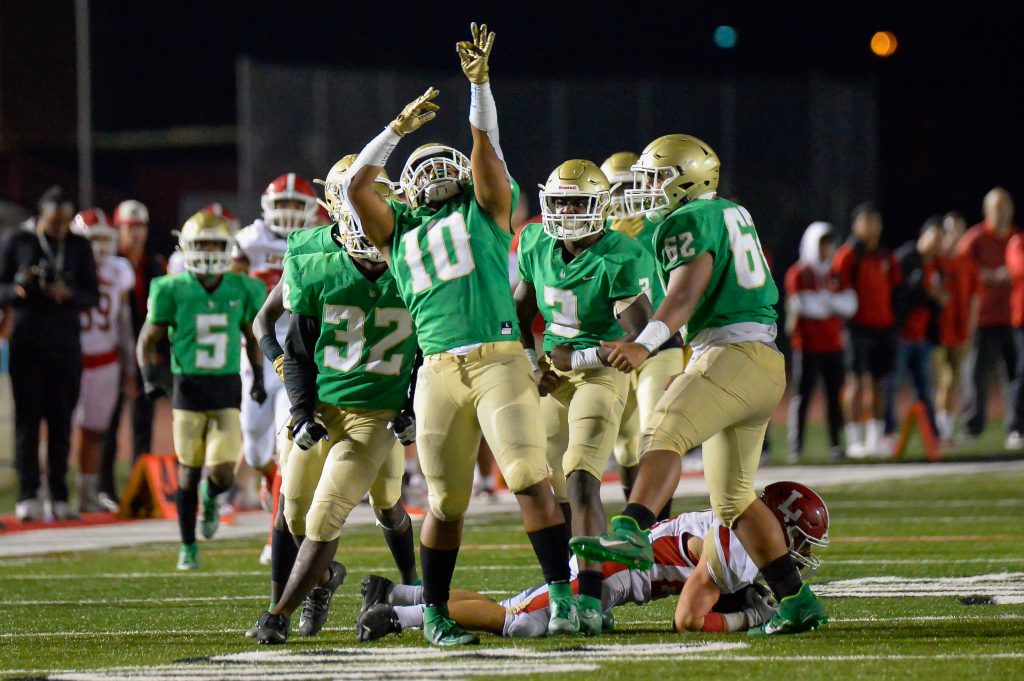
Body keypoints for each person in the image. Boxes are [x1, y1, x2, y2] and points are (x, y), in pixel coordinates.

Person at [343, 22, 575, 645]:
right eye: (424, 166)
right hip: (438, 372)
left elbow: (487, 153)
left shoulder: (486, 209)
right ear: (405, 188)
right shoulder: (396, 234)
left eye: (447, 162)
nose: (438, 170)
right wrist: (396, 130)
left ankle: (563, 596)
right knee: (445, 504)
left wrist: (479, 89)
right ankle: (436, 614)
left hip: (499, 359)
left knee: (527, 476)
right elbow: (356, 186)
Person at [568, 133, 829, 637]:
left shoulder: (686, 220)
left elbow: (686, 293)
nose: (646, 189)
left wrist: (644, 344)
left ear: (686, 181)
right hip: (762, 359)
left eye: (655, 179)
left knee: (664, 428)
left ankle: (632, 528)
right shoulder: (729, 211)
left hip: (730, 352)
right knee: (733, 500)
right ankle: (797, 600)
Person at [249, 156, 420, 643]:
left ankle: (282, 613)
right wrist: (299, 402)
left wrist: (414, 404)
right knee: (292, 508)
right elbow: (290, 341)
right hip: (324, 402)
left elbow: (433, 344)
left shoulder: (414, 258)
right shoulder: (313, 258)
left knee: (380, 502)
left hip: (378, 409)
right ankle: (320, 582)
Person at [356, 480, 829, 641]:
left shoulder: (739, 533)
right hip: (610, 572)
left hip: (618, 572)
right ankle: (398, 616)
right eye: (801, 541)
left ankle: (397, 593)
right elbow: (687, 621)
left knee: (516, 606)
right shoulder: (735, 544)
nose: (802, 554)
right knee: (523, 622)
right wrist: (751, 617)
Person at [514, 159, 652, 635]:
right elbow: (518, 314)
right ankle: (566, 590)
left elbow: (642, 338)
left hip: (602, 373)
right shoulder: (535, 242)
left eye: (578, 202)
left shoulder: (620, 254)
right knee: (545, 484)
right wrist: (533, 365)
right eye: (561, 202)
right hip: (556, 375)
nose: (568, 211)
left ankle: (593, 599)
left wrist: (581, 356)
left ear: (600, 206)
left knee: (582, 477)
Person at [136, 210, 266, 570]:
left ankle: (211, 498)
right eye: (202, 244)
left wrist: (258, 377)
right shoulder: (171, 288)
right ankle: (188, 545)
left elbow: (251, 337)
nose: (208, 251)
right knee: (188, 472)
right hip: (188, 389)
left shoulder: (244, 287)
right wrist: (149, 377)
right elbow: (147, 340)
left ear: (228, 248)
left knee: (222, 473)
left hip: (226, 387)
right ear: (186, 247)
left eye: (214, 244)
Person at [233, 173, 322, 563]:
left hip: (298, 350)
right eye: (281, 204)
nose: (287, 212)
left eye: (294, 204)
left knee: (289, 445)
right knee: (255, 450)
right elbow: (233, 287)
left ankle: (276, 538)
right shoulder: (249, 240)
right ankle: (270, 480)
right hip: (257, 352)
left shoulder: (318, 237)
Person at [0, 186, 99, 521]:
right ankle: (28, 494)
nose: (58, 228)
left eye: (63, 222)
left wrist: (68, 294)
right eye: (53, 222)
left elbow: (92, 294)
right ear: (40, 215)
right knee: (27, 422)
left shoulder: (78, 245)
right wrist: (16, 289)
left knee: (61, 422)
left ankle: (59, 494)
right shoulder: (18, 241)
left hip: (65, 344)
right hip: (27, 344)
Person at [602, 151, 686, 512]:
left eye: (631, 188)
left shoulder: (662, 224)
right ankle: (639, 523)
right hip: (612, 345)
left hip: (658, 342)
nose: (625, 198)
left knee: (656, 431)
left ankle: (655, 523)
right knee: (625, 445)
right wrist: (610, 243)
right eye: (617, 190)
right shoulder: (594, 234)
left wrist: (631, 243)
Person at [100, 199, 165, 510]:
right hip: (113, 353)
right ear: (118, 230)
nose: (136, 233)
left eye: (140, 227)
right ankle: (104, 488)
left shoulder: (154, 264)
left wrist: (158, 352)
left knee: (143, 421)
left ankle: (139, 488)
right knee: (108, 421)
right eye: (130, 227)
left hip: (146, 354)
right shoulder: (109, 264)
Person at [69, 209, 136, 513]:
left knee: (96, 431)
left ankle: (87, 493)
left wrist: (130, 366)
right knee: (59, 430)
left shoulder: (119, 270)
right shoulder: (68, 266)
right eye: (92, 239)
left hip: (106, 360)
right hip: (71, 359)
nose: (98, 246)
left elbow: (123, 322)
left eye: (103, 238)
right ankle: (52, 491)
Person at [832, 204, 901, 456]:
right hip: (857, 328)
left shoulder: (885, 256)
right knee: (856, 383)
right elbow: (837, 291)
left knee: (879, 384)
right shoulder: (848, 255)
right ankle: (854, 440)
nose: (873, 227)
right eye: (867, 222)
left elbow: (895, 288)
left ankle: (875, 438)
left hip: (883, 328)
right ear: (856, 225)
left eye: (876, 222)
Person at [784, 222, 856, 463]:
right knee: (802, 397)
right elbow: (805, 306)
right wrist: (832, 303)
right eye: (823, 244)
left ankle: (836, 444)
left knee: (834, 397)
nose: (827, 249)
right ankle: (796, 446)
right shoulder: (798, 273)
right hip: (807, 346)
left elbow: (850, 304)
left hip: (834, 345)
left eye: (830, 244)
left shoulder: (836, 272)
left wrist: (824, 301)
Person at [959, 188, 1017, 442]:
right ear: (986, 211)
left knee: (1016, 375)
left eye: (1005, 207)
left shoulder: (1017, 238)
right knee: (976, 375)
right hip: (982, 318)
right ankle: (972, 427)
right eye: (996, 207)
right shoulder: (975, 238)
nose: (1001, 212)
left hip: (1014, 318)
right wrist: (992, 275)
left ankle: (1017, 427)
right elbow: (960, 269)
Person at [891, 218, 947, 441]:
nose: (937, 243)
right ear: (924, 234)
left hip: (922, 335)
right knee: (892, 385)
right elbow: (898, 294)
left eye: (941, 240)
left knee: (924, 387)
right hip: (902, 334)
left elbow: (936, 297)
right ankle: (888, 432)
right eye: (935, 237)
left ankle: (933, 434)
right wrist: (927, 293)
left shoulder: (937, 264)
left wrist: (939, 299)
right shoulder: (905, 258)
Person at [933, 212, 975, 442]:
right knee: (943, 382)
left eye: (959, 231)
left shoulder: (967, 262)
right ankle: (940, 430)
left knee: (955, 383)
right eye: (951, 231)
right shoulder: (936, 261)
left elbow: (974, 299)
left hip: (960, 332)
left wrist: (970, 328)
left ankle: (946, 430)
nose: (955, 236)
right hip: (938, 332)